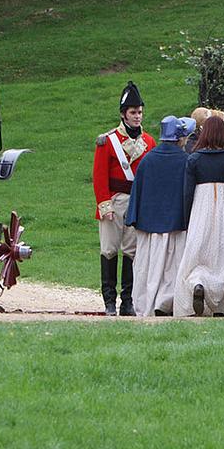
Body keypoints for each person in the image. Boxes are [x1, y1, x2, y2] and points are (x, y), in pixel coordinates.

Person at [92, 81, 155, 316]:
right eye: (133, 112)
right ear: (123, 114)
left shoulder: (149, 142)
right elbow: (99, 177)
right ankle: (109, 301)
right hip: (114, 200)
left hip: (136, 201)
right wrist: (105, 205)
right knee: (109, 250)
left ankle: (126, 301)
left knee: (131, 252)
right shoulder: (107, 141)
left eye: (139, 112)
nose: (137, 116)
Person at [125, 115, 194, 317]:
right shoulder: (186, 161)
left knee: (147, 269)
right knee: (173, 267)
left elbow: (137, 193)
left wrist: (134, 218)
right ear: (180, 138)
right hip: (177, 226)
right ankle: (169, 302)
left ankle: (149, 304)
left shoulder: (147, 160)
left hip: (148, 228)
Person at [175, 116, 224, 317]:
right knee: (222, 253)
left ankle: (197, 283)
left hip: (201, 205)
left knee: (197, 253)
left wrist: (186, 219)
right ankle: (219, 305)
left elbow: (186, 193)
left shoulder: (194, 159)